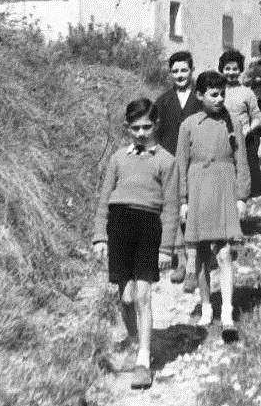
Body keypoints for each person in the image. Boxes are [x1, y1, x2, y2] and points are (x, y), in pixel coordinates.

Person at [93, 98, 179, 390]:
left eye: (147, 127)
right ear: (127, 128)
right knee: (126, 297)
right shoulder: (118, 158)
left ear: (156, 126)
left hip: (148, 228)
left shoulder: (166, 160)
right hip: (119, 226)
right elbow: (104, 199)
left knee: (143, 295)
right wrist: (99, 236)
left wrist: (167, 247)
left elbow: (170, 206)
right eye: (135, 128)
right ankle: (135, 341)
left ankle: (143, 359)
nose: (141, 133)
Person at [176, 71, 250, 342]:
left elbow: (242, 161)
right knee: (203, 253)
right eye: (213, 94)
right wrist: (182, 201)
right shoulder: (189, 125)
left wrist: (242, 197)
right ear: (199, 95)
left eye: (222, 94)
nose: (219, 99)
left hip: (224, 189)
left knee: (225, 252)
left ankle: (228, 312)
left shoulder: (232, 123)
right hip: (198, 190)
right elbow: (180, 166)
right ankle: (207, 306)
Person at [154, 51, 201, 290]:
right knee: (172, 211)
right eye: (175, 71)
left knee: (191, 214)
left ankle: (194, 267)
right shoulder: (162, 102)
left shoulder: (201, 100)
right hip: (171, 167)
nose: (180, 75)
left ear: (192, 71)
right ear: (170, 73)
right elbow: (155, 136)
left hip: (196, 166)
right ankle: (181, 261)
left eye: (184, 70)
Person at [218, 49, 261, 198]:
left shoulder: (247, 93)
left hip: (243, 142)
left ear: (240, 70)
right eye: (227, 69)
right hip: (220, 143)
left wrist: (248, 129)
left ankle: (241, 215)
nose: (231, 72)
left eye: (235, 69)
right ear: (222, 69)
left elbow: (257, 117)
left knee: (242, 180)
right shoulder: (216, 91)